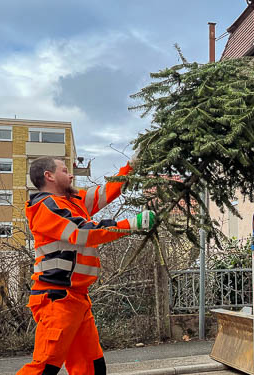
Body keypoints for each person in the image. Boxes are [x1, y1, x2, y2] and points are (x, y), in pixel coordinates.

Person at [17, 156, 152, 375]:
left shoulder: (73, 200)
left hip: (76, 298)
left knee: (91, 366)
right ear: (49, 176)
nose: (71, 175)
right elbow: (82, 232)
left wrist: (131, 167)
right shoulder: (45, 207)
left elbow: (105, 192)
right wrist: (130, 224)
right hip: (56, 298)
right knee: (44, 367)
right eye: (64, 170)